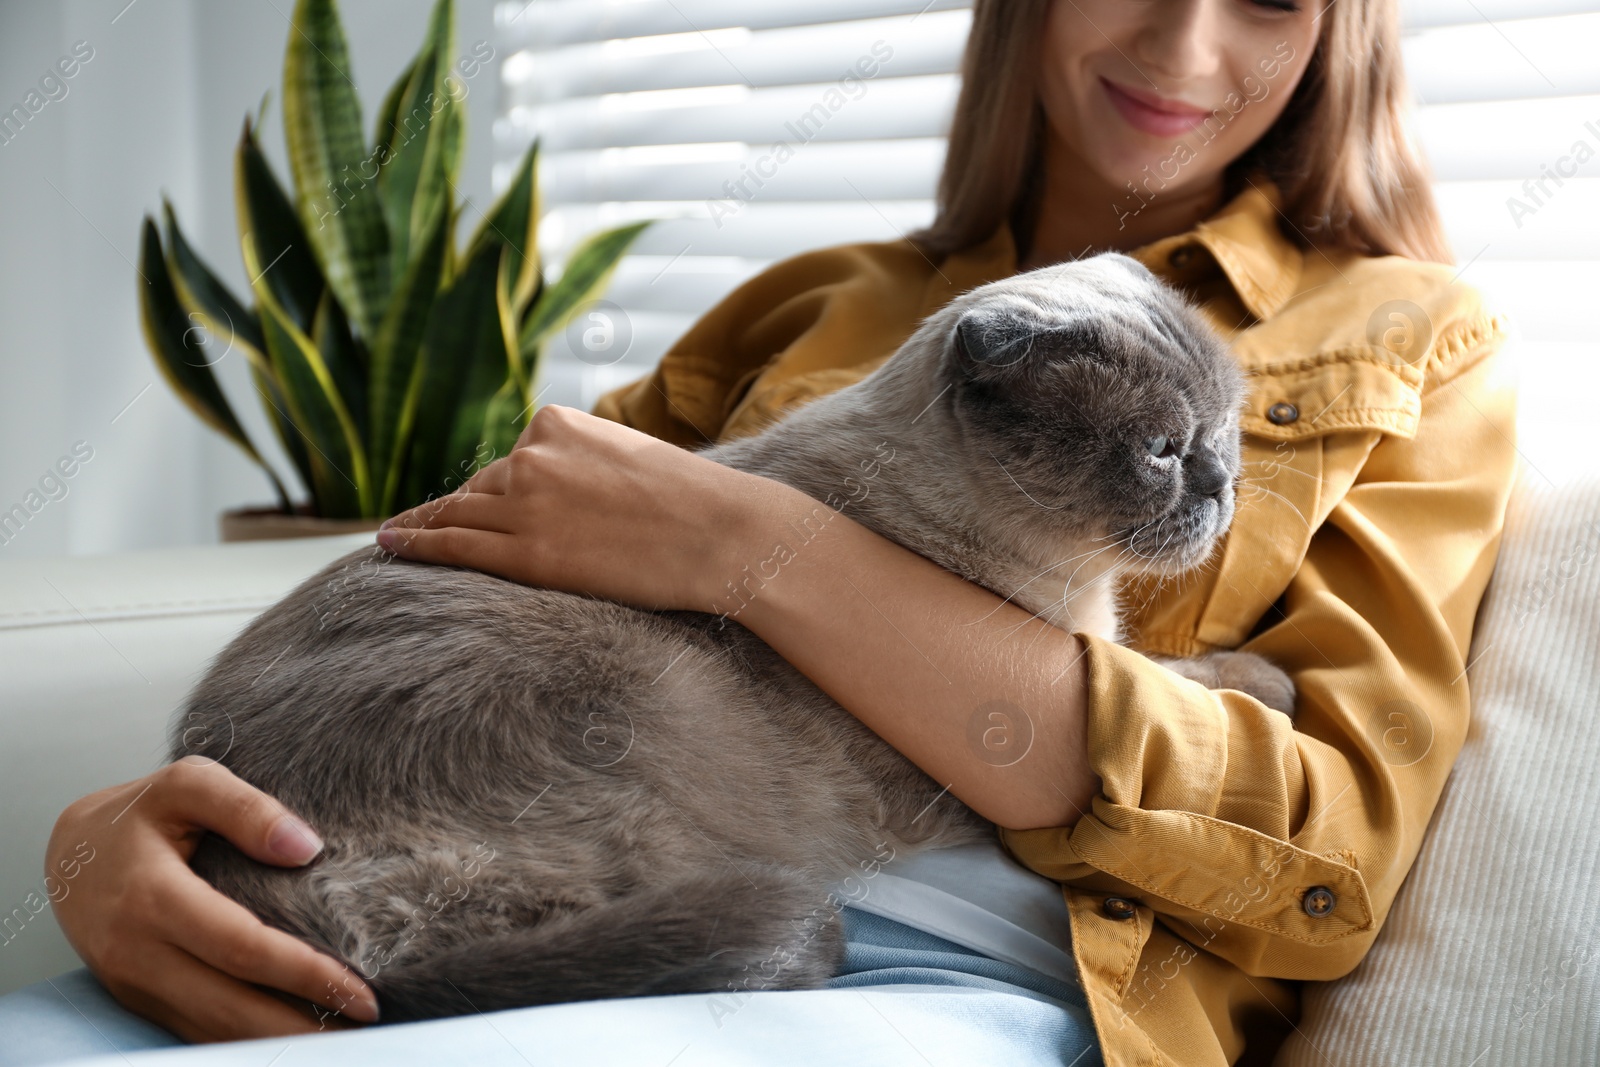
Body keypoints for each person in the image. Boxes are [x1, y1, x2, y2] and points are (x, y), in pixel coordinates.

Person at [31, 0, 1518, 1064]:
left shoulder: (1408, 334)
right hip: (518, 881)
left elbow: (1325, 865)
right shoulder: (813, 304)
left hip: (958, 965)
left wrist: (758, 553)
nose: (1182, 46)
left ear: (1342, 28)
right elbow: (462, 579)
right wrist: (104, 838)